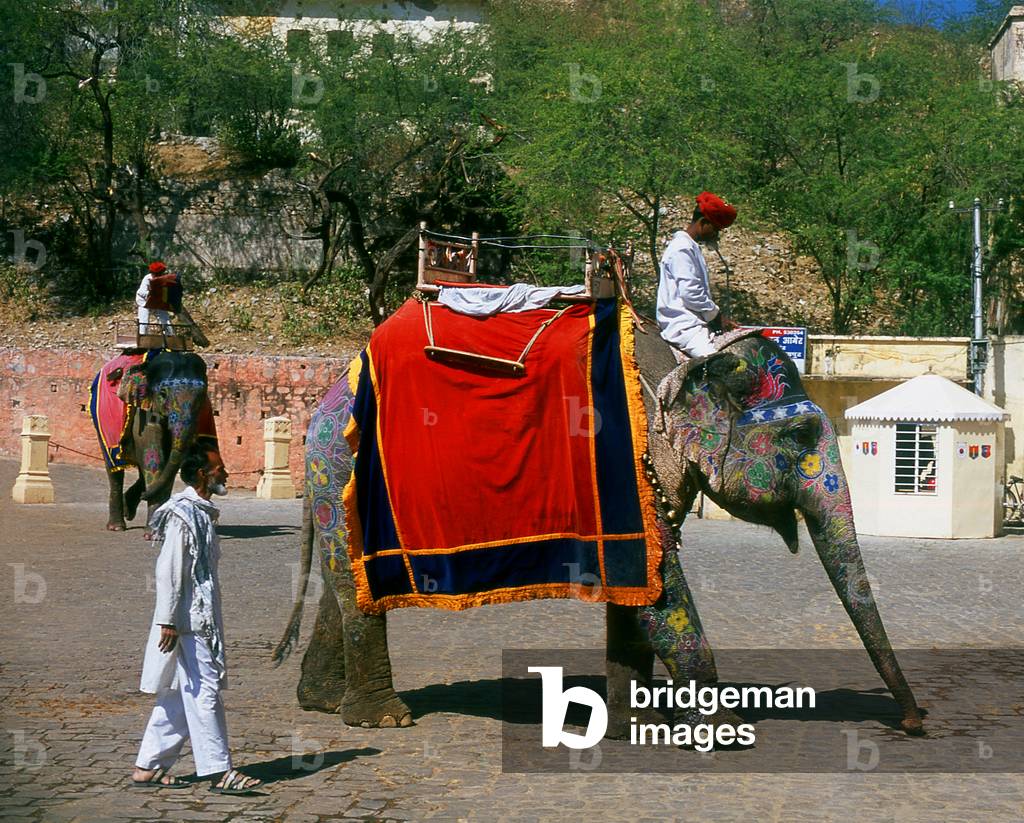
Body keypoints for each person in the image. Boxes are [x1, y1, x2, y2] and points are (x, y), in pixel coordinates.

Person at [130, 444, 263, 795]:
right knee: (205, 691)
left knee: (177, 694)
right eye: (220, 468)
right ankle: (219, 771)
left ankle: (148, 766)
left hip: (199, 618)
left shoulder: (201, 512)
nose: (226, 473)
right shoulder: (183, 515)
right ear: (204, 474)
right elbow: (169, 571)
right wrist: (168, 621)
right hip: (189, 621)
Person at [656, 191, 738, 358]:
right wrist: (716, 315)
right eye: (715, 229)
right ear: (703, 222)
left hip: (696, 323)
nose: (716, 235)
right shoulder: (682, 249)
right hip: (685, 327)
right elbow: (691, 294)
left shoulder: (691, 247)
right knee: (722, 365)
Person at [136, 261, 181, 335]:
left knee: (165, 318)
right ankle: (143, 337)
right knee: (144, 321)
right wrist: (150, 294)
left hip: (157, 301)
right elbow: (141, 292)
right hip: (144, 302)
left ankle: (170, 336)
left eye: (160, 273)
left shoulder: (163, 279)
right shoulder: (147, 278)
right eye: (157, 274)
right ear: (153, 273)